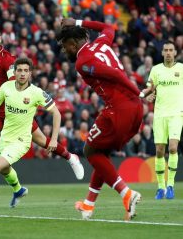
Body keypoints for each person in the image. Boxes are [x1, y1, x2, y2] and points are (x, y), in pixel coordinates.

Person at [0, 24, 84, 207]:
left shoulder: (8, 60)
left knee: (43, 141)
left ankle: (70, 157)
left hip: (13, 110)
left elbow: (14, 81)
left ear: (0, 39)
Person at [57, 18, 143, 220]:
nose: (64, 51)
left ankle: (126, 193)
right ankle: (88, 206)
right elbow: (108, 27)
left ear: (73, 44)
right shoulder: (101, 43)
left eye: (64, 47)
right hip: (135, 110)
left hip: (119, 109)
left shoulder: (82, 61)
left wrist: (138, 91)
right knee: (100, 153)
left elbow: (114, 75)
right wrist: (78, 21)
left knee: (89, 150)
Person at [0, 58, 61, 205]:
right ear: (14, 72)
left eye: (26, 71)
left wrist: (54, 139)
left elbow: (57, 113)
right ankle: (18, 190)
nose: (22, 74)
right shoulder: (6, 87)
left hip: (21, 141)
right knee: (5, 169)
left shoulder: (36, 92)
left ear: (30, 74)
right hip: (5, 139)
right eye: (19, 70)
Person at [140, 41, 183, 200]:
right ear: (163, 53)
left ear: (175, 52)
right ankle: (161, 187)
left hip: (176, 114)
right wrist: (145, 95)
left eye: (171, 50)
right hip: (159, 115)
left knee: (173, 147)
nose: (168, 53)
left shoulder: (181, 69)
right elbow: (149, 88)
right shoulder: (156, 70)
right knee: (159, 151)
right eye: (166, 50)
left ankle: (170, 184)